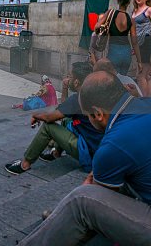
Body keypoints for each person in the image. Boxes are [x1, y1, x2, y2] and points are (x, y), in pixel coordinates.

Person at [17, 71, 151, 245]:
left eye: (87, 115)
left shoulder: (114, 143)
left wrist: (92, 187)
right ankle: (60, 218)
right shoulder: (145, 104)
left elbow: (98, 198)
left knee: (81, 200)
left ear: (98, 114)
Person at [4, 62, 102, 175]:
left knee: (48, 127)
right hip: (98, 149)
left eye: (69, 76)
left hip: (88, 154)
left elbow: (49, 118)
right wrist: (65, 87)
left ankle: (25, 164)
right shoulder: (93, 93)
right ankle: (56, 154)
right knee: (67, 120)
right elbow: (65, 109)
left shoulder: (78, 99)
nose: (66, 79)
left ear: (76, 82)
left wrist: (36, 115)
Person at [91, 0, 141, 76]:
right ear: (128, 3)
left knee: (112, 80)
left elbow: (96, 27)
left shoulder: (111, 13)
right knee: (123, 80)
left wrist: (106, 29)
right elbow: (135, 42)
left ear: (118, 0)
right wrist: (139, 61)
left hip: (113, 51)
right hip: (126, 52)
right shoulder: (131, 19)